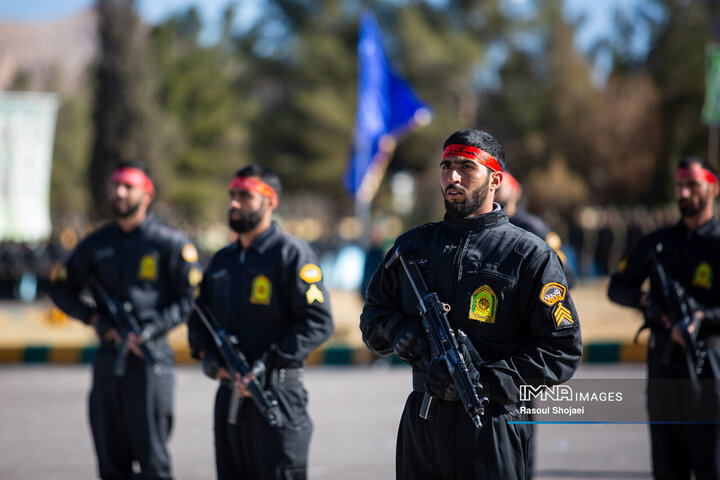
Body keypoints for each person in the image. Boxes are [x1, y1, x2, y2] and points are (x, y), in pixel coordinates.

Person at [360, 129, 582, 479]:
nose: (453, 176)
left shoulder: (528, 254)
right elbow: (373, 316)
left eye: (466, 167)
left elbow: (561, 350)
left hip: (491, 425)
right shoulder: (411, 247)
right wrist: (403, 334)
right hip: (423, 423)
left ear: (495, 179)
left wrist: (486, 382)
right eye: (446, 166)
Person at [50, 162, 202, 480]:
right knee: (110, 461)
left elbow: (191, 299)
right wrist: (94, 318)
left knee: (154, 462)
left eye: (128, 186)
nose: (119, 192)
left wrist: (152, 330)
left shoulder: (168, 243)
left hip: (150, 360)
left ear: (147, 194)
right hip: (109, 358)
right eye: (115, 185)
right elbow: (61, 288)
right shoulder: (96, 243)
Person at [187, 165, 334, 480]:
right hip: (230, 401)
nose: (235, 203)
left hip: (277, 398)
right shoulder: (223, 259)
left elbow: (318, 323)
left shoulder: (292, 254)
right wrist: (214, 363)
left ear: (271, 202)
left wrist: (265, 363)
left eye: (245, 196)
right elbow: (198, 317)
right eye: (232, 195)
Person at [607, 157, 720, 479]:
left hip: (709, 372)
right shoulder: (658, 242)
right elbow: (617, 287)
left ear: (713, 188)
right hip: (664, 372)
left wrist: (700, 317)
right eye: (679, 185)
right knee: (667, 468)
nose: (684, 193)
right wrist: (647, 302)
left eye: (692, 185)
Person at [495, 170, 576, 288]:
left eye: (500, 188)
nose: (494, 191)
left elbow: (565, 274)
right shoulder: (489, 226)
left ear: (516, 192)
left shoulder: (534, 227)